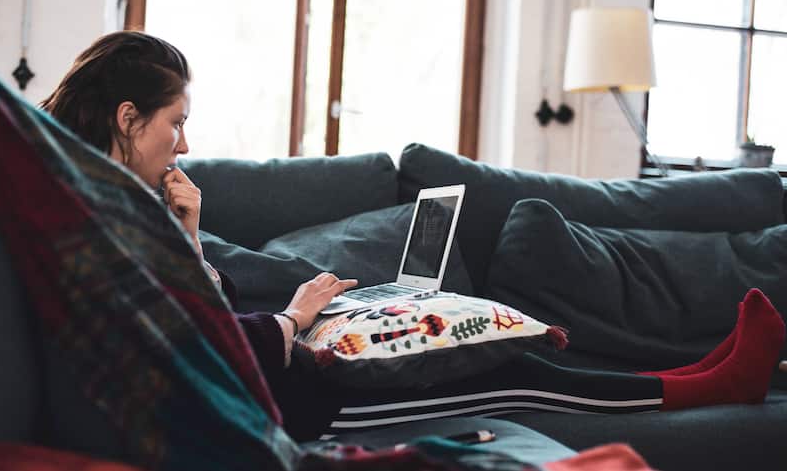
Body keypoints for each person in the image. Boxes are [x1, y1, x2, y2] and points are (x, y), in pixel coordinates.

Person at [39, 31, 786, 442]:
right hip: (298, 402)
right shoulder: (96, 221)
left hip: (286, 375)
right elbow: (200, 348)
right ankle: (708, 384)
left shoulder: (116, 206)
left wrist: (191, 234)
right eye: (176, 123)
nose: (186, 144)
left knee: (477, 351)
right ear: (129, 118)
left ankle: (700, 372)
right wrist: (296, 317)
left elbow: (195, 319)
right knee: (500, 377)